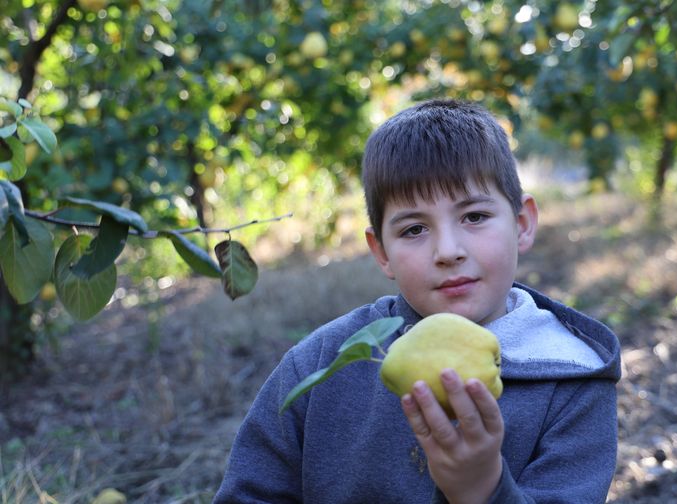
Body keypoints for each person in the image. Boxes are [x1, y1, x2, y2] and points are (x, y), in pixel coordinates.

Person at [214, 99, 621, 503]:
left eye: (474, 217)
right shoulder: (322, 363)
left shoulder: (573, 379)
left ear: (522, 224)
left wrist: (484, 491)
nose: (448, 250)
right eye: (413, 230)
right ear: (381, 252)